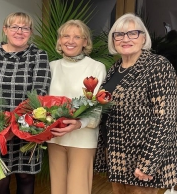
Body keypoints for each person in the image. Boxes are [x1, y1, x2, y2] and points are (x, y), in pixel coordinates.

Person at [94, 13, 177, 194]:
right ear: (113, 40)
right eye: (120, 34)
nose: (126, 39)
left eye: (133, 33)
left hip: (143, 157)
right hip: (117, 154)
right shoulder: (115, 69)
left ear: (143, 37)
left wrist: (149, 163)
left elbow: (165, 119)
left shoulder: (158, 66)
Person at [0, 12, 51, 194]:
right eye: (14, 27)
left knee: (25, 177)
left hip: (26, 127)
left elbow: (39, 93)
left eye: (25, 27)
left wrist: (16, 127)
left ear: (30, 32)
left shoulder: (38, 55)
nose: (19, 31)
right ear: (5, 30)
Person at [47, 20, 106, 194]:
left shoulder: (96, 67)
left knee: (78, 190)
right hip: (55, 137)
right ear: (59, 40)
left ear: (85, 42)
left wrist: (80, 123)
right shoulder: (51, 67)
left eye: (77, 37)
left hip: (82, 138)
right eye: (66, 36)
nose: (70, 41)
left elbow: (100, 105)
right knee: (57, 189)